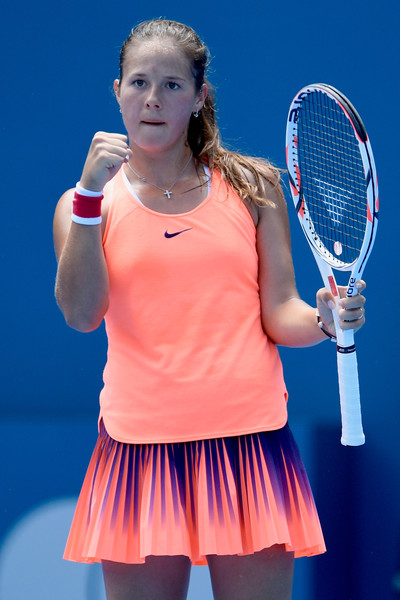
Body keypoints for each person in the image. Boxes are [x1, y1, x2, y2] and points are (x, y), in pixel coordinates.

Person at [53, 19, 367, 600]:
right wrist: (91, 198)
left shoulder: (255, 187)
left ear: (199, 97)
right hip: (138, 452)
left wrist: (325, 319)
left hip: (250, 445)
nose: (153, 99)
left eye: (172, 85)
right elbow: (81, 313)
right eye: (138, 82)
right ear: (116, 91)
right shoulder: (80, 205)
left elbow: (280, 314)